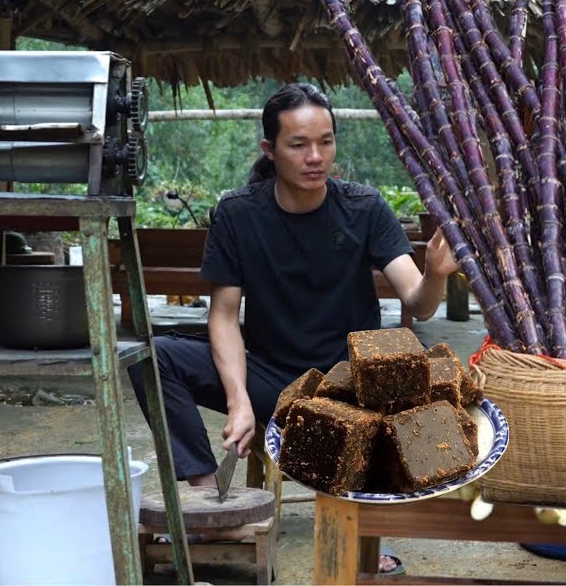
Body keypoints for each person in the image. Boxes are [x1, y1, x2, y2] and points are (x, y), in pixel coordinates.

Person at [129, 82, 458, 575]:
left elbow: (418, 302)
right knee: (153, 358)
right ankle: (211, 507)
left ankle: (362, 533)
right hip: (271, 377)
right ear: (270, 149)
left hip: (348, 385)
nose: (315, 156)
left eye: (325, 141)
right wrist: (238, 399)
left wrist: (434, 273)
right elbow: (222, 315)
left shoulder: (364, 207)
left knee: (402, 382)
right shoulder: (239, 213)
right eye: (299, 144)